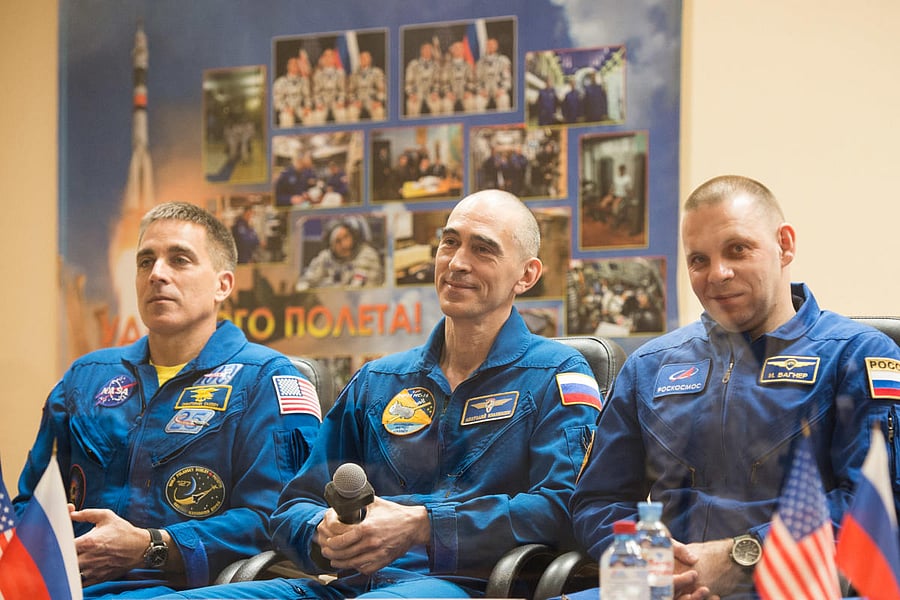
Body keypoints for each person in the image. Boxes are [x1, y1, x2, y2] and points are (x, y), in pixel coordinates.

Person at [159, 189, 604, 599]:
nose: (456, 262)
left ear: (526, 275)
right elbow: (293, 505)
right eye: (449, 242)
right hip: (350, 586)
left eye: (482, 249)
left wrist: (423, 525)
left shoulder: (557, 374)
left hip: (468, 586)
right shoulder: (379, 380)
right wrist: (322, 531)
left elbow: (565, 507)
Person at [570, 175, 900, 599]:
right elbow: (597, 501)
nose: (718, 274)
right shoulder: (649, 367)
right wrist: (646, 555)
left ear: (784, 245)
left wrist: (743, 557)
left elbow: (876, 507)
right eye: (698, 260)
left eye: (737, 250)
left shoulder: (857, 354)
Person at [13, 202, 321, 597]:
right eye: (145, 262)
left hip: (177, 589)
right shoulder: (86, 377)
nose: (157, 274)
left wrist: (154, 545)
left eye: (179, 260)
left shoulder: (266, 378)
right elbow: (30, 501)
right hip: (65, 586)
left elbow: (278, 519)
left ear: (223, 285)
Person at [294, 218, 384, 292]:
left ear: (353, 236)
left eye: (346, 236)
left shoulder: (367, 254)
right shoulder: (325, 257)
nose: (344, 244)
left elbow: (357, 290)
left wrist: (326, 286)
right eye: (338, 241)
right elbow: (307, 281)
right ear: (331, 246)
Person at [347, 50, 385, 121]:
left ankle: (377, 129)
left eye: (365, 58)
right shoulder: (354, 74)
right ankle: (355, 129)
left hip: (372, 100)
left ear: (370, 60)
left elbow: (382, 89)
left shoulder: (377, 72)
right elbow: (350, 91)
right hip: (358, 100)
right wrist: (354, 101)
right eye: (361, 58)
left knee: (379, 111)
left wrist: (378, 101)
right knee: (351, 111)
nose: (363, 60)